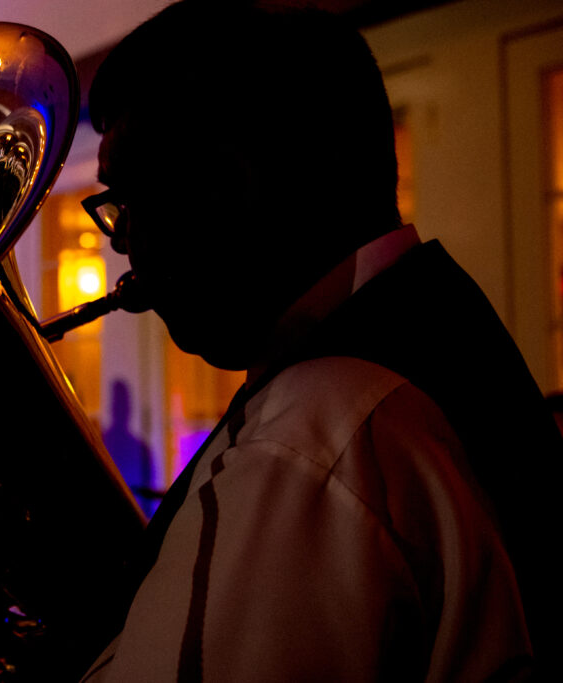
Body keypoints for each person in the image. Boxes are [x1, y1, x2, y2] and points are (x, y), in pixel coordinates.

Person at [78, 2, 562, 680]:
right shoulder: (436, 333)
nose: (122, 240)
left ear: (230, 187)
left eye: (130, 200)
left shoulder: (313, 432)